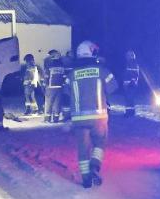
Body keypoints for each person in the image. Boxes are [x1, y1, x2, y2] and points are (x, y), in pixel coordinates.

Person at [68, 40, 117, 188]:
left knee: (83, 149)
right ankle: (95, 165)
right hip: (98, 117)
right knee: (100, 143)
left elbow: (66, 93)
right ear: (91, 53)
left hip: (78, 119)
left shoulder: (71, 74)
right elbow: (113, 87)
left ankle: (86, 179)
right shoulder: (101, 70)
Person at [43, 49, 65, 122]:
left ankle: (47, 119)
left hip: (50, 87)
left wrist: (45, 85)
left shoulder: (49, 66)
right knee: (57, 103)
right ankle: (56, 119)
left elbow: (46, 76)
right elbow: (63, 77)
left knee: (49, 103)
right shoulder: (62, 66)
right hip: (59, 87)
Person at [122, 49, 140, 116]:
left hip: (131, 84)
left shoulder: (132, 63)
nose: (126, 56)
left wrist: (131, 82)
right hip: (130, 84)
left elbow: (134, 74)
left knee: (129, 98)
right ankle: (130, 112)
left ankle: (129, 113)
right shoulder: (131, 63)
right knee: (129, 99)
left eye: (128, 55)